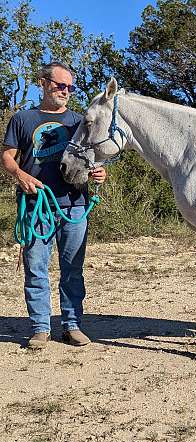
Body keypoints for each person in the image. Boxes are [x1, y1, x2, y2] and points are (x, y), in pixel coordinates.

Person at [1, 62, 106, 349]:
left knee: (72, 268)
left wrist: (99, 172)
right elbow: (8, 157)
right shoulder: (23, 119)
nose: (66, 91)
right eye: (61, 85)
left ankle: (72, 325)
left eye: (70, 87)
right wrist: (20, 175)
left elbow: (93, 156)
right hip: (37, 205)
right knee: (36, 267)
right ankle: (40, 328)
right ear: (43, 83)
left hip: (74, 204)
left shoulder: (77, 121)